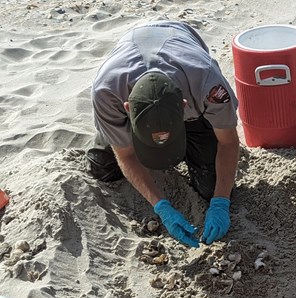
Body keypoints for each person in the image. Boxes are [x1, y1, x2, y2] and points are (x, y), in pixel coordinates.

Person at [86, 21, 240, 248]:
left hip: (178, 44)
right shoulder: (107, 93)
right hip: (133, 55)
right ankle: (111, 132)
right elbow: (126, 155)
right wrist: (161, 205)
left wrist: (220, 202)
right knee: (101, 167)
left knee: (211, 187)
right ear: (127, 109)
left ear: (184, 105)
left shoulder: (208, 84)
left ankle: (189, 139)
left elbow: (228, 142)